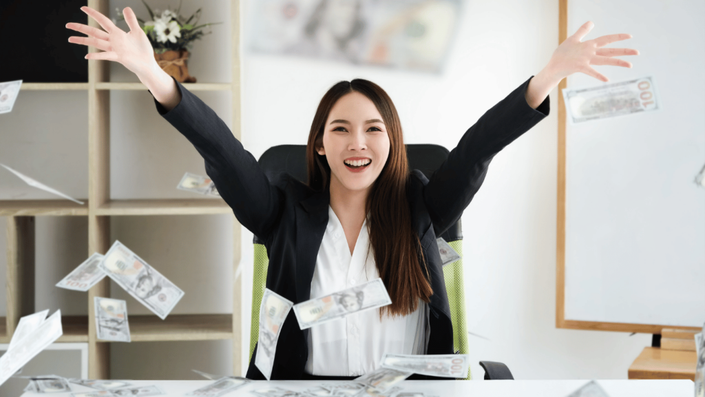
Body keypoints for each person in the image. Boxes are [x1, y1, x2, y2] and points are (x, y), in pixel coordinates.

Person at [67, 6, 638, 380]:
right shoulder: (281, 211)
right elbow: (226, 155)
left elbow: (475, 150)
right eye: (340, 129)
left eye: (372, 129)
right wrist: (154, 74)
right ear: (318, 144)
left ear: (393, 141)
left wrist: (546, 78)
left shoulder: (423, 206)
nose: (356, 143)